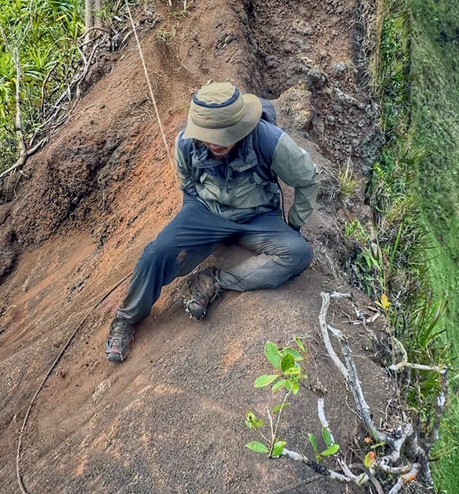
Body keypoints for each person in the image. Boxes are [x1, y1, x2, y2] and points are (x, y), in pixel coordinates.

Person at [106, 81, 320, 364]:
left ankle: (215, 280)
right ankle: (126, 318)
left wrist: (294, 224)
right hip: (205, 212)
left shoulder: (269, 140)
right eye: (209, 135)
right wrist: (195, 222)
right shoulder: (185, 143)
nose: (215, 142)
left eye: (225, 135)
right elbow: (187, 184)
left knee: (297, 254)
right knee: (155, 254)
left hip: (259, 217)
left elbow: (308, 179)